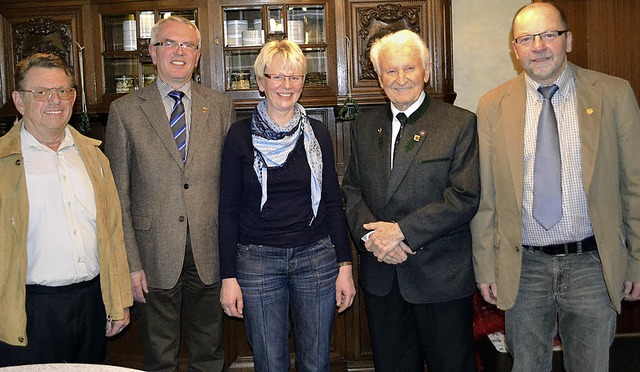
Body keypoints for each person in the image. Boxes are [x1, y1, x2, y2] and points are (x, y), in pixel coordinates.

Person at [472, 3, 640, 371]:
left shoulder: (613, 95)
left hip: (592, 265)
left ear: (568, 41)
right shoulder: (492, 105)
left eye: (549, 34)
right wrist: (486, 268)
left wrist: (636, 263)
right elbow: (487, 198)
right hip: (524, 267)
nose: (539, 46)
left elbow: (635, 188)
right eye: (527, 38)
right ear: (515, 50)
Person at [342, 29, 479, 372]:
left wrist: (401, 232)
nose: (400, 79)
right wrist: (373, 238)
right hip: (383, 277)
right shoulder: (364, 125)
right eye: (390, 71)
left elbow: (464, 196)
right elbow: (352, 191)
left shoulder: (459, 123)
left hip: (441, 278)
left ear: (426, 71)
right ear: (378, 77)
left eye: (409, 69)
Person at [105, 16, 236, 372]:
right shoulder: (125, 111)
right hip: (153, 253)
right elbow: (118, 196)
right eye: (169, 43)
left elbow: (232, 188)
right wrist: (131, 263)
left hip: (209, 252)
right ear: (152, 52)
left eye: (188, 45)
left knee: (210, 354)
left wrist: (232, 257)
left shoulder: (221, 107)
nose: (179, 51)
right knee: (160, 357)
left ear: (197, 55)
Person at [218, 39, 356, 372]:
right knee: (270, 362)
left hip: (316, 257)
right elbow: (227, 210)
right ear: (261, 82)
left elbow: (333, 202)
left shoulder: (318, 133)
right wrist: (228, 277)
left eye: (294, 77)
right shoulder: (239, 136)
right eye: (277, 77)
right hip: (258, 261)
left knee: (316, 361)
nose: (286, 85)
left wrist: (345, 265)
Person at [0, 53, 132, 366]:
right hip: (28, 309)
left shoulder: (94, 156)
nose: (54, 100)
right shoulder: (4, 163)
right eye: (41, 92)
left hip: (91, 303)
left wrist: (119, 301)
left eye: (63, 91)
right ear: (19, 100)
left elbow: (113, 233)